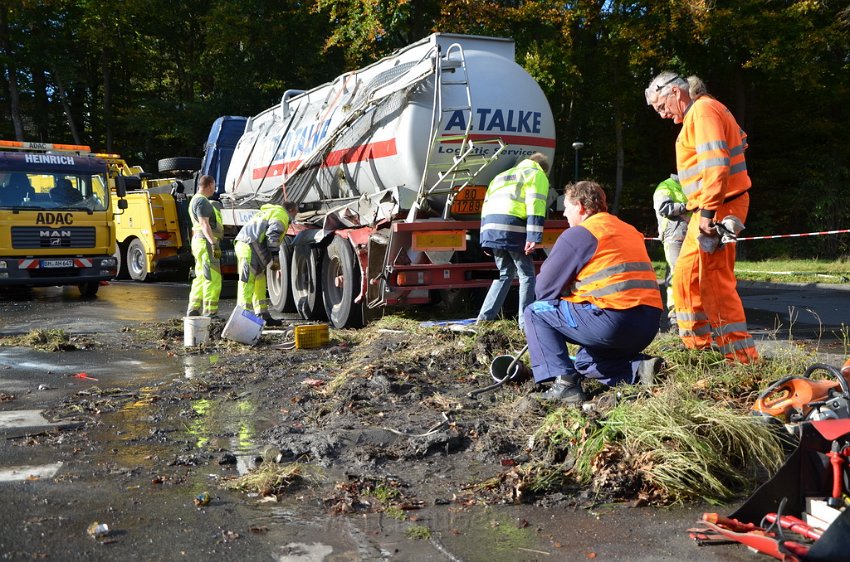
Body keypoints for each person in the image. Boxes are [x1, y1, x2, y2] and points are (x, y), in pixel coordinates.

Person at [645, 72, 758, 363]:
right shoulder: (705, 112)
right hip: (709, 208)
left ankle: (741, 357)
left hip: (718, 209)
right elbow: (738, 145)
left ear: (674, 93)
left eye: (661, 106)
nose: (662, 115)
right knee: (684, 276)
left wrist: (708, 212)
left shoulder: (703, 111)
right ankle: (697, 347)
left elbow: (717, 165)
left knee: (714, 280)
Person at [523, 181, 663, 403]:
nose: (565, 216)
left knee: (534, 312)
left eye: (567, 209)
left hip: (613, 322)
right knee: (585, 362)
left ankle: (565, 385)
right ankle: (640, 370)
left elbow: (543, 290)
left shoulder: (581, 233)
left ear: (579, 206)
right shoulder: (629, 230)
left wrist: (567, 290)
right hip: (647, 325)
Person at [477, 152, 550, 330]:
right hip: (513, 227)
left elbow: (485, 207)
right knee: (527, 275)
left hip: (492, 228)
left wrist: (484, 238)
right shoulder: (536, 174)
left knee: (504, 273)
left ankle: (484, 319)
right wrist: (534, 237)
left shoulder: (501, 176)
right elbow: (536, 205)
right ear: (543, 168)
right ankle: (525, 324)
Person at [234, 201, 298, 326]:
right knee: (247, 282)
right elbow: (272, 236)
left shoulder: (269, 211)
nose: (296, 215)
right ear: (291, 210)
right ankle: (242, 317)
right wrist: (275, 258)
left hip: (248, 244)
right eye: (296, 212)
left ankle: (262, 314)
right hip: (249, 247)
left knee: (260, 281)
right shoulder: (281, 215)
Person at [653, 174, 689, 331]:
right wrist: (687, 206)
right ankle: (675, 318)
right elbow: (664, 208)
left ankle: (690, 315)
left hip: (693, 235)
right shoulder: (665, 186)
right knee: (676, 276)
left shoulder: (693, 184)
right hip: (674, 237)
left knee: (691, 276)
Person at [187, 175, 223, 318]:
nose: (214, 188)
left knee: (201, 276)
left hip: (199, 242)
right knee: (212, 277)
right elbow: (204, 224)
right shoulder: (202, 201)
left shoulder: (195, 200)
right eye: (214, 185)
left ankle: (194, 308)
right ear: (209, 185)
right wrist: (214, 243)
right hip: (206, 243)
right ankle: (210, 312)